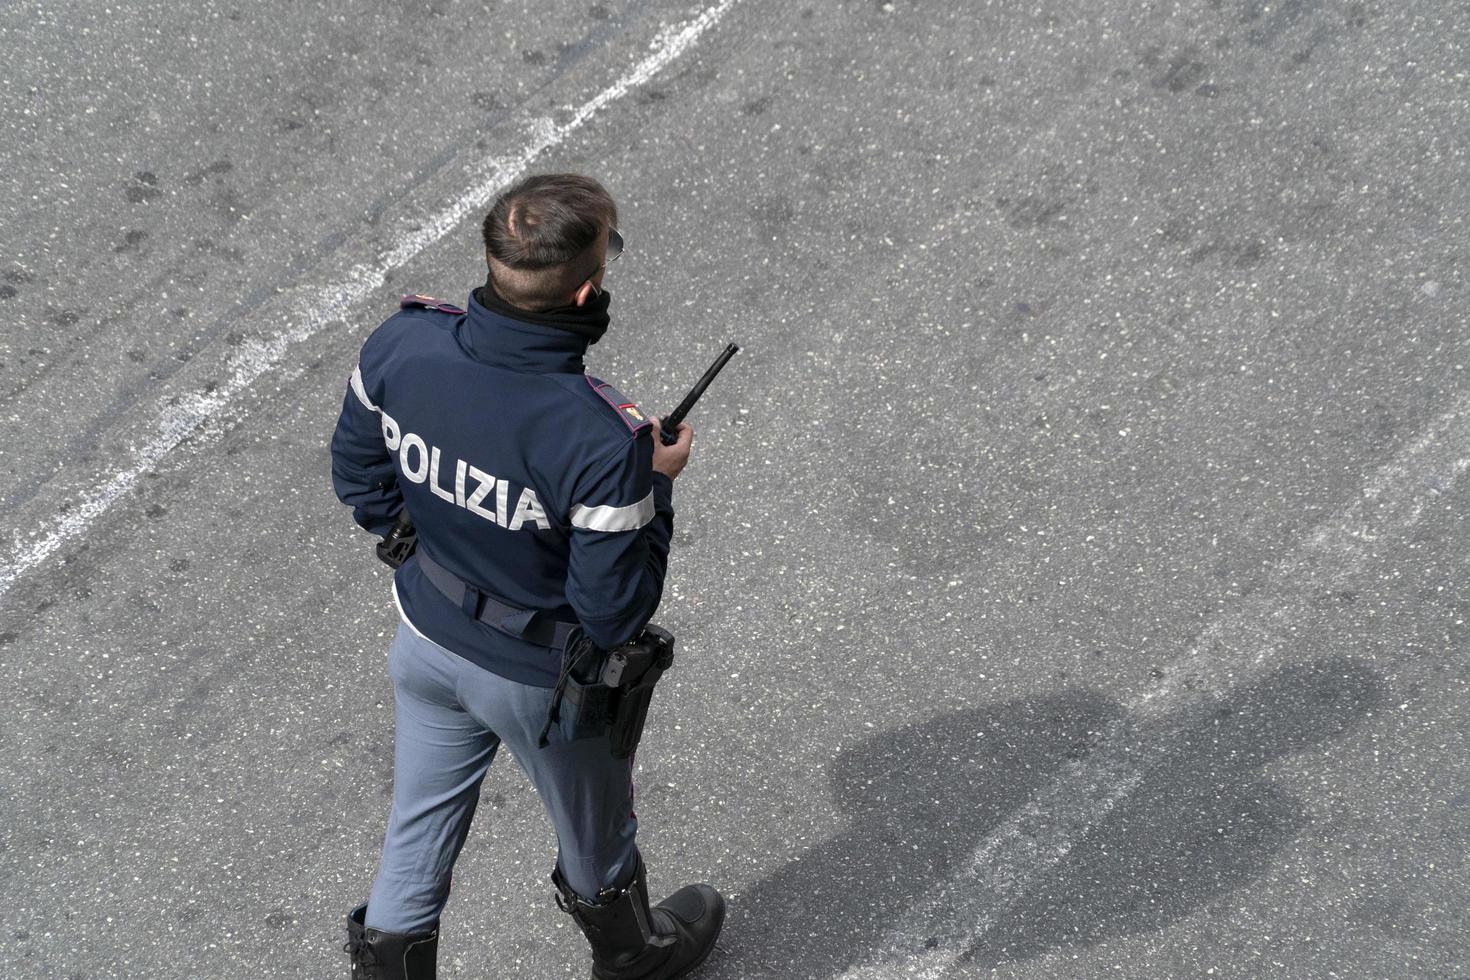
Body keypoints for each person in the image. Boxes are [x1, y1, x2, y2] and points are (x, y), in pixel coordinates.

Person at [330, 173, 725, 980]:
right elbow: (612, 611)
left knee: (418, 827)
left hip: (426, 637)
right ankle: (633, 957)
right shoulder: (597, 438)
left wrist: (427, 547)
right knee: (596, 834)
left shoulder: (401, 344)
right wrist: (652, 480)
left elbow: (361, 477)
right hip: (538, 682)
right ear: (587, 288)